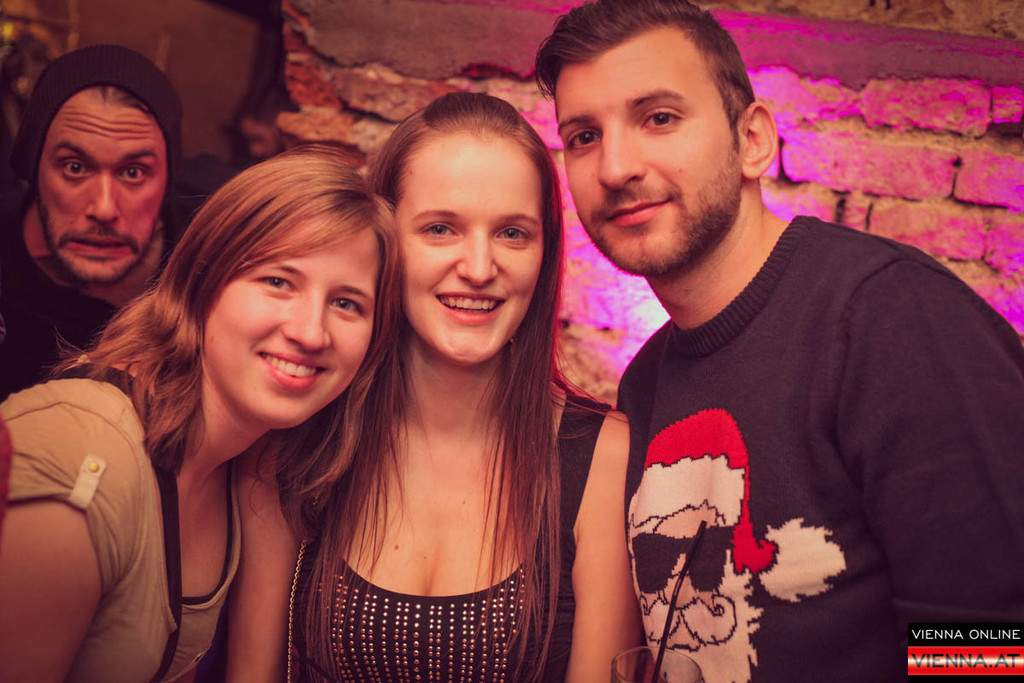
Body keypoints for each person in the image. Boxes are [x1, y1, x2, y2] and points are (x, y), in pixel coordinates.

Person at [535, 1, 1024, 681]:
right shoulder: (645, 381)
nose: (615, 167)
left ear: (753, 141)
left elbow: (990, 646)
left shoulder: (892, 319)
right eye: (585, 135)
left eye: (659, 118)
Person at [228, 92, 641, 682]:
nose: (478, 268)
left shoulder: (602, 457)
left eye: (512, 233)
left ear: (545, 254)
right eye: (441, 228)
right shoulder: (301, 437)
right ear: (385, 241)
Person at [0, 145, 401, 682]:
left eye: (347, 303)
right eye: (278, 282)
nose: (310, 332)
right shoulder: (85, 459)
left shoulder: (238, 461)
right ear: (203, 281)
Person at [0, 44, 197, 401]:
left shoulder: (201, 260)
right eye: (74, 167)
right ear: (34, 168)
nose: (104, 208)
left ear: (168, 180)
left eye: (134, 172)